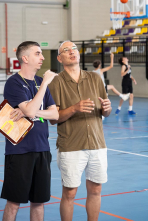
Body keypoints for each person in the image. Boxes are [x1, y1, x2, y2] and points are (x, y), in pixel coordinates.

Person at [49, 41, 112, 221]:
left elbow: (105, 112)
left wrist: (107, 108)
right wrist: (74, 108)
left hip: (97, 144)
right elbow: (53, 119)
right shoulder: (56, 82)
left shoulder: (95, 78)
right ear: (59, 58)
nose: (72, 52)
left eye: (74, 49)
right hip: (71, 146)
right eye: (66, 50)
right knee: (69, 193)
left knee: (96, 190)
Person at [1, 41, 59, 221]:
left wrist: (31, 111)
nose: (42, 57)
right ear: (25, 58)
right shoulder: (14, 83)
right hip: (19, 152)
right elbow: (32, 110)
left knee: (39, 202)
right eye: (37, 53)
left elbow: (55, 115)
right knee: (13, 203)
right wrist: (44, 87)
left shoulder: (40, 81)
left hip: (42, 149)